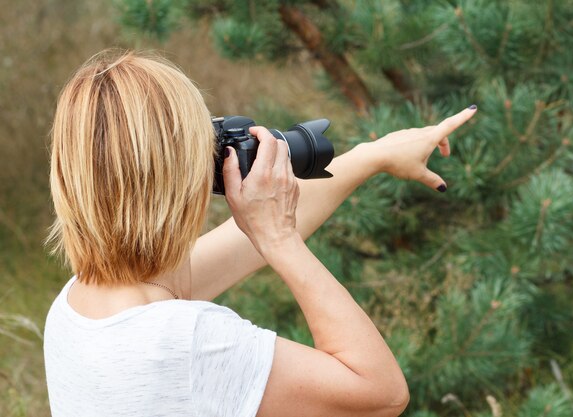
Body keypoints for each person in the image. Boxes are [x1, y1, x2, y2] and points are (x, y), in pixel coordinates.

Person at [43, 50, 477, 417]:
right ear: (180, 174)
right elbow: (380, 393)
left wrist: (372, 155)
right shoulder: (190, 342)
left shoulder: (76, 307)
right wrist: (280, 240)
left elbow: (238, 244)